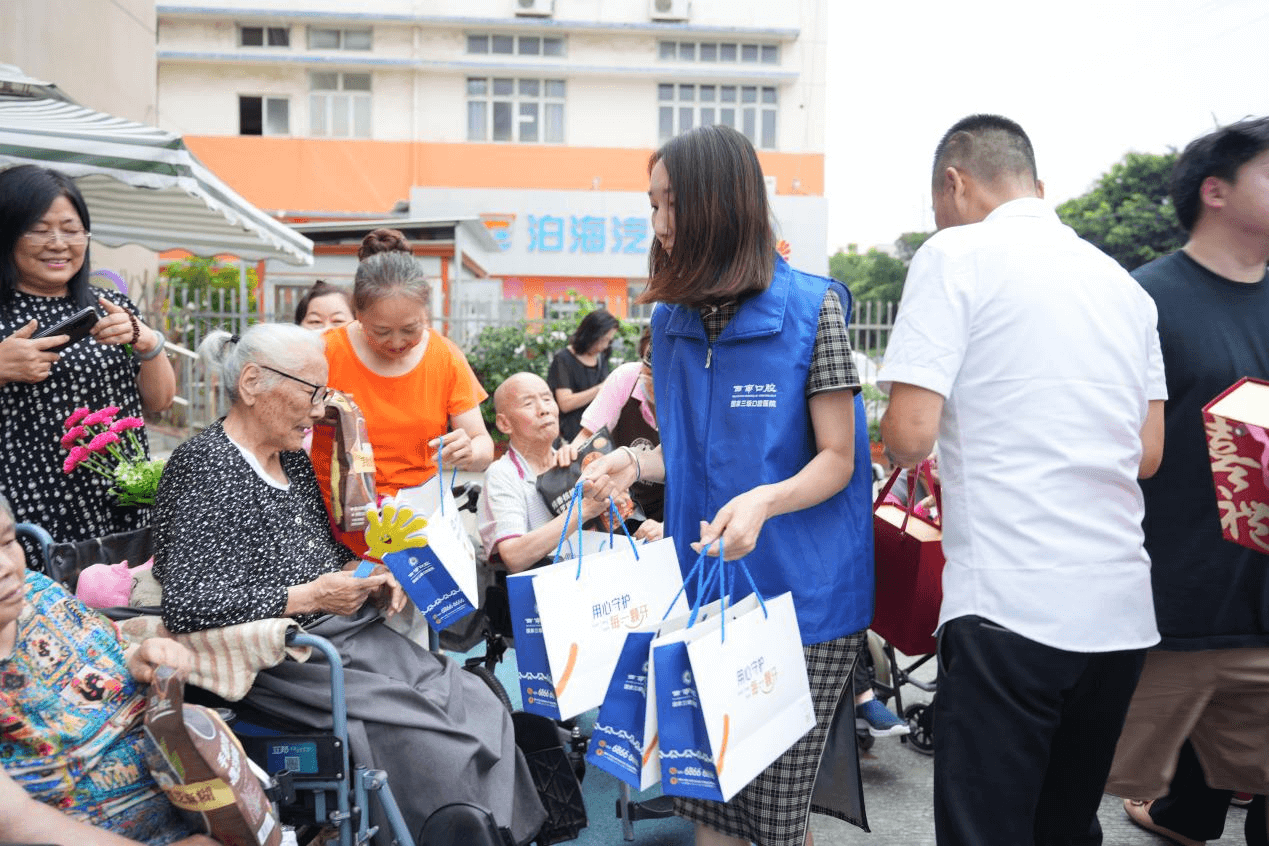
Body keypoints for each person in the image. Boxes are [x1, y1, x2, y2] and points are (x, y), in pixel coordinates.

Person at [878, 114, 1166, 846]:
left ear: (954, 180)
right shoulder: (1123, 287)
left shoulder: (955, 256)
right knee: (1065, 828)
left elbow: (907, 437)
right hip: (1118, 610)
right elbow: (1147, 453)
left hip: (1011, 604)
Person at [584, 124, 875, 846]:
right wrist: (639, 463)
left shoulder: (815, 309)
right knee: (709, 806)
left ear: (723, 201)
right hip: (704, 594)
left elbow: (838, 458)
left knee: (772, 817)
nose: (659, 225)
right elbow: (689, 453)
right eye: (651, 206)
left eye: (671, 204)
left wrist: (768, 499)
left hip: (801, 599)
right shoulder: (672, 319)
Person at [150, 323, 547, 845]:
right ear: (252, 384)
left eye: (325, 394)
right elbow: (189, 602)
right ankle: (449, 829)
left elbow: (326, 553)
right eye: (311, 393)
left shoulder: (290, 459)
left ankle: (493, 831)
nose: (319, 411)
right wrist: (307, 598)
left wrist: (376, 575)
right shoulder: (205, 466)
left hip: (347, 632)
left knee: (476, 698)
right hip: (287, 658)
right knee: (432, 735)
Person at [1104, 116, 1269, 846]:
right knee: (1094, 784)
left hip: (1261, 605)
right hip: (1169, 606)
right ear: (1215, 191)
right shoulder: (1141, 302)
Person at [0, 492, 215, 846]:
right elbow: (16, 822)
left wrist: (141, 656)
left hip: (189, 807)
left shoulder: (39, 592)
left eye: (8, 542)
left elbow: (111, 652)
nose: (8, 566)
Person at [0, 165, 175, 545]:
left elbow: (159, 402)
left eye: (71, 229)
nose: (59, 243)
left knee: (118, 601)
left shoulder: (111, 307)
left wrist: (148, 343)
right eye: (40, 229)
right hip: (26, 506)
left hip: (119, 501)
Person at [309, 251, 494, 556]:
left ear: (427, 312)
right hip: (335, 526)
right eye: (380, 331)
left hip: (415, 527)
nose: (396, 342)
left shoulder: (444, 356)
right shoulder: (326, 351)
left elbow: (483, 446)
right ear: (358, 313)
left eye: (410, 329)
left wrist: (469, 452)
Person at [478, 372, 605, 574]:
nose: (544, 409)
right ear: (504, 424)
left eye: (547, 399)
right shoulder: (502, 474)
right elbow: (514, 557)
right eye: (528, 404)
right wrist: (583, 510)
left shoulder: (571, 460)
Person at [570, 326, 664, 529]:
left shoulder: (698, 393)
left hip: (672, 509)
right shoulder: (627, 379)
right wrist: (574, 459)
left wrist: (668, 525)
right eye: (647, 372)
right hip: (623, 504)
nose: (650, 385)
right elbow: (587, 438)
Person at [546, 308, 619, 441]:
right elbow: (565, 403)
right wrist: (600, 388)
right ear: (590, 335)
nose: (605, 345)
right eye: (603, 340)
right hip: (572, 435)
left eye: (609, 340)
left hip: (597, 433)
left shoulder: (601, 357)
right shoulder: (563, 359)